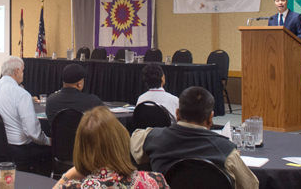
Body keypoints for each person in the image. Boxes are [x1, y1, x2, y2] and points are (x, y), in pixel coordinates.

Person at [131, 86, 259, 189]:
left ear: (177, 114)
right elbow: (251, 185)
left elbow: (132, 143)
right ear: (210, 117)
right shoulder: (226, 151)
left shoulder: (152, 137)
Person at [53, 106, 169, 189]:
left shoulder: (73, 186)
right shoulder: (155, 181)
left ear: (81, 147)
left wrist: (69, 175)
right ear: (122, 141)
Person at [0, 56, 51, 175]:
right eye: (22, 70)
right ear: (16, 71)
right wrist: (47, 141)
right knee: (48, 150)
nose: (22, 74)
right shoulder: (21, 94)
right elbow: (33, 133)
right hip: (16, 151)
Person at [46, 64, 103, 129]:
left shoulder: (50, 100)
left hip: (58, 139)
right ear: (79, 84)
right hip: (84, 139)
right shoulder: (93, 101)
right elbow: (107, 120)